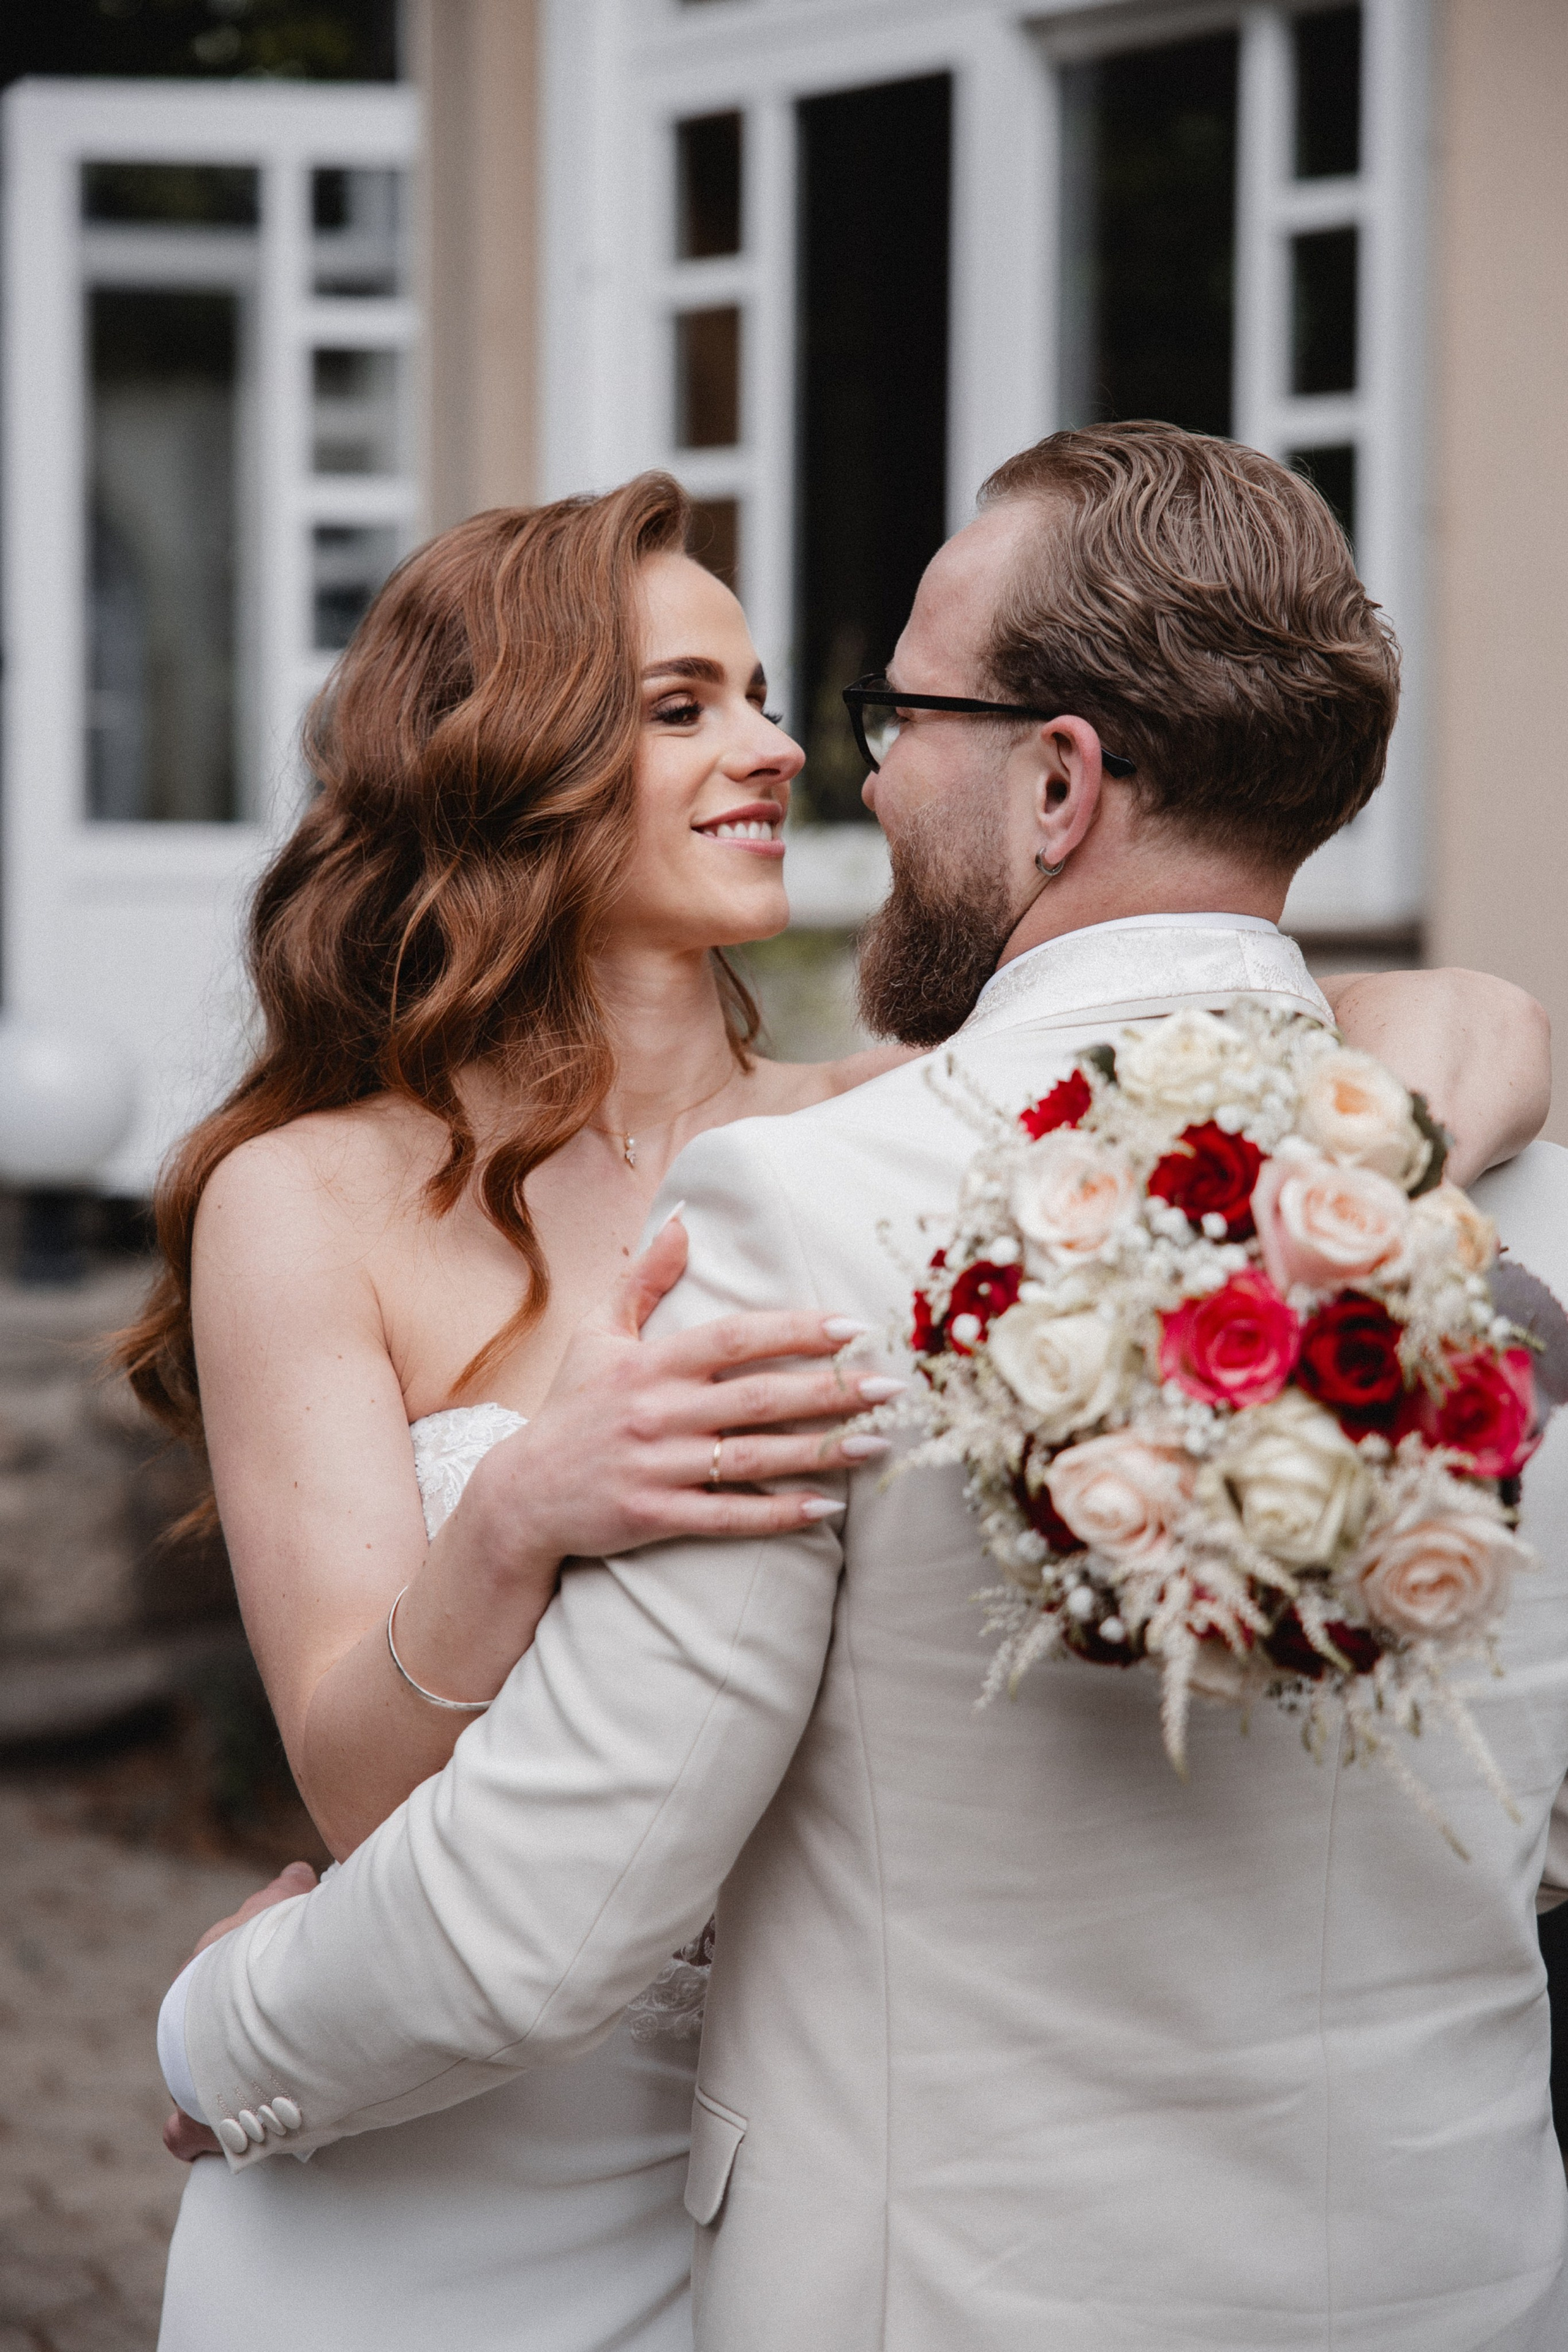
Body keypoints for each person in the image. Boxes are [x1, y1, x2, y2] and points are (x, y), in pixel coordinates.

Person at [153, 436, 1559, 2352]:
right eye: (683, 707)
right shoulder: (308, 1196)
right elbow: (348, 1775)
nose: (786, 750)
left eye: (767, 696)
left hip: (774, 2136)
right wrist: (516, 1513)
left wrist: (1344, 1190)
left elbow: (1440, 1013)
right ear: (501, 770)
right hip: (476, 2126)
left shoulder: (863, 1129)